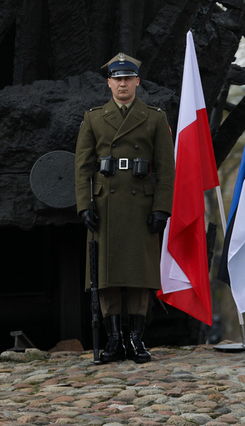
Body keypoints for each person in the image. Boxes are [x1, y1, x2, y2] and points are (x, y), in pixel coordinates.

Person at [74, 53, 175, 364]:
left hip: (140, 205)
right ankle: (114, 338)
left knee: (139, 275)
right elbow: (82, 167)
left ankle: (135, 339)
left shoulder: (155, 118)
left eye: (128, 79)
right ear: (109, 83)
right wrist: (84, 206)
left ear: (137, 82)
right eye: (117, 79)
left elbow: (166, 169)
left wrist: (162, 208)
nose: (122, 84)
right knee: (106, 275)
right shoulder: (93, 118)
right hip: (105, 204)